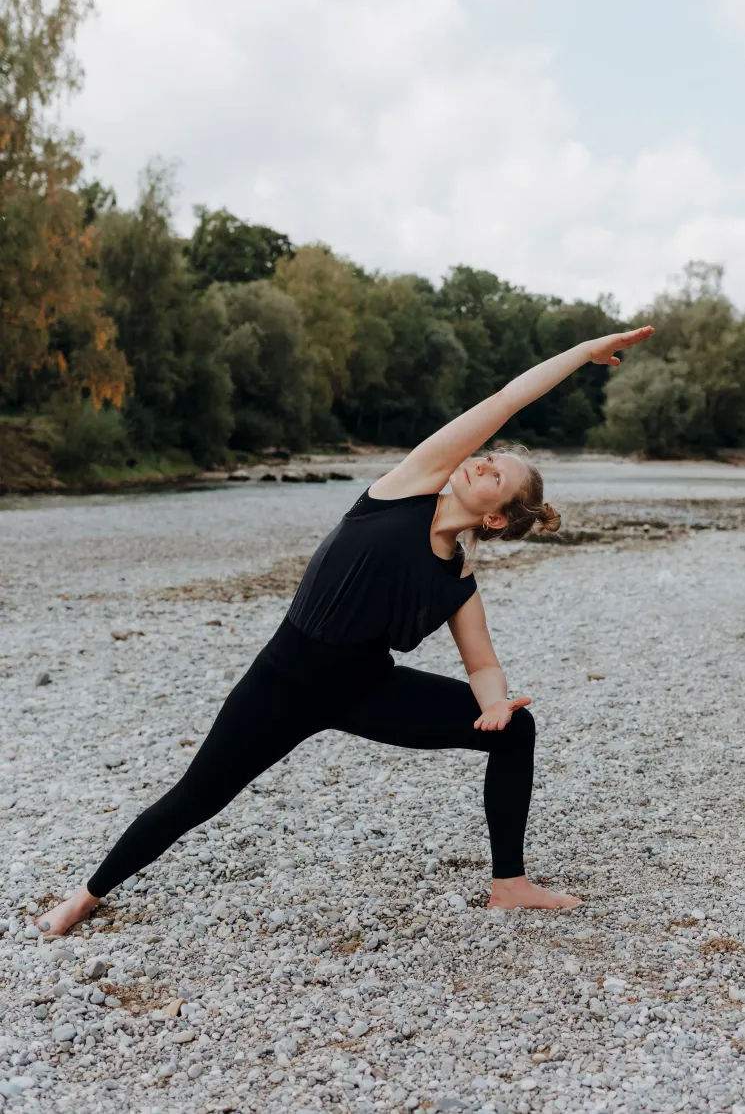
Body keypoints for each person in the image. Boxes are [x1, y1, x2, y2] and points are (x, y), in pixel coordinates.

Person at [36, 325, 654, 938]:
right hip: (283, 680)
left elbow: (482, 663)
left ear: (493, 515)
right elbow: (502, 404)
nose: (482, 462)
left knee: (517, 729)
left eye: (495, 473)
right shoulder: (407, 487)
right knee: (197, 796)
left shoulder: (458, 578)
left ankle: (510, 885)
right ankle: (86, 896)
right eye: (488, 457)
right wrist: (581, 354)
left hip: (365, 690)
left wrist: (494, 705)